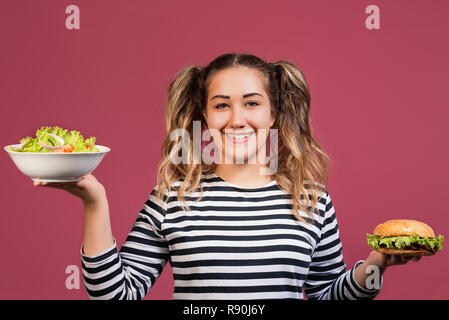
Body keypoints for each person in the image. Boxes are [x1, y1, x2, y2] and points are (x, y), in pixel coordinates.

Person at [34, 53, 420, 300]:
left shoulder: (312, 201)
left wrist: (377, 262)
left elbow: (326, 294)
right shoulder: (172, 198)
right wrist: (93, 199)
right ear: (204, 118)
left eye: (252, 103)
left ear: (274, 114)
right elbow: (114, 295)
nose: (237, 119)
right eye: (221, 105)